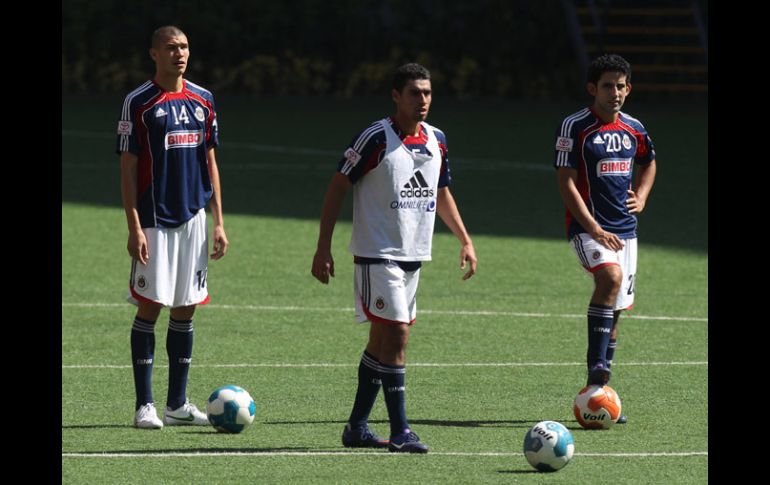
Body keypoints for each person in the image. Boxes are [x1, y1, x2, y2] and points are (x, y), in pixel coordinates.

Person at [311, 63, 477, 453]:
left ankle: (356, 427)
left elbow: (441, 191)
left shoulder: (437, 139)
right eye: (415, 93)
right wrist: (323, 246)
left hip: (413, 256)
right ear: (396, 96)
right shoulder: (376, 137)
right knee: (398, 332)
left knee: (381, 340)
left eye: (428, 93)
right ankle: (401, 431)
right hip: (376, 255)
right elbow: (337, 186)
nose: (423, 100)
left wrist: (465, 240)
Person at [116, 25, 228, 429]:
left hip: (194, 219)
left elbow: (210, 163)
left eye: (183, 47)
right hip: (154, 221)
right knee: (151, 307)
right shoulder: (138, 102)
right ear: (153, 54)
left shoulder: (203, 100)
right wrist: (134, 226)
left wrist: (218, 221)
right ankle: (144, 405)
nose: (179, 54)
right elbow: (127, 170)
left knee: (185, 309)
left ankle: (177, 404)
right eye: (170, 47)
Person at [554, 54, 657, 424]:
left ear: (628, 88)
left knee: (615, 316)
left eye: (621, 86)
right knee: (608, 279)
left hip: (626, 232)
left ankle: (597, 394)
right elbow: (565, 181)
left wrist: (642, 195)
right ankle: (597, 365)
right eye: (607, 86)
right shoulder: (575, 126)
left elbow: (649, 161)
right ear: (592, 89)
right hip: (588, 229)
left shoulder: (634, 128)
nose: (615, 92)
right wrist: (594, 228)